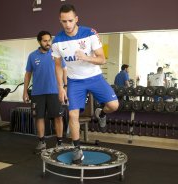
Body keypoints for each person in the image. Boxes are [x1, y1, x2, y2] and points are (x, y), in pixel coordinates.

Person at [52, 4, 119, 164]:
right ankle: (77, 149)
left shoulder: (89, 34)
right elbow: (57, 65)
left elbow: (102, 59)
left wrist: (86, 57)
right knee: (73, 114)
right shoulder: (57, 41)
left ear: (76, 19)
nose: (67, 25)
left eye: (70, 20)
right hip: (75, 81)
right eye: (63, 21)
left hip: (95, 77)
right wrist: (60, 87)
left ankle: (101, 113)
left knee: (114, 106)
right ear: (60, 21)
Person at [23, 31, 66, 152]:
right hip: (38, 93)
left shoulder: (56, 54)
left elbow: (64, 70)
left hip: (55, 91)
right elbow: (28, 75)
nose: (48, 43)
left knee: (58, 117)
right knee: (39, 117)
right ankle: (42, 142)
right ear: (39, 42)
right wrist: (25, 91)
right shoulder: (32, 56)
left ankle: (59, 143)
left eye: (49, 40)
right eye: (45, 41)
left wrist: (65, 87)